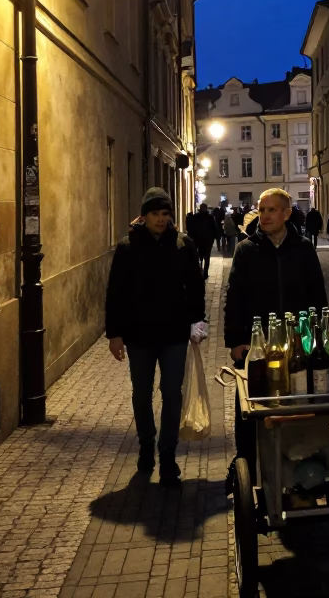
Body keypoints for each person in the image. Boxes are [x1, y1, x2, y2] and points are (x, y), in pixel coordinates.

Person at [224, 188, 327, 491]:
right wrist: (235, 341)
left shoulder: (304, 248)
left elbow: (318, 296)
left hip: (296, 342)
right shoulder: (246, 249)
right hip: (258, 343)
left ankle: (305, 463)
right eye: (261, 210)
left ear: (286, 214)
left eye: (271, 210)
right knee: (250, 406)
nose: (265, 215)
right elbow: (235, 298)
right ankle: (245, 464)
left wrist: (317, 335)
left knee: (301, 401)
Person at [105, 188, 206, 485]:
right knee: (141, 392)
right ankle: (146, 445)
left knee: (172, 393)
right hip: (139, 335)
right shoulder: (127, 247)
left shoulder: (183, 245)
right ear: (144, 215)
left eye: (165, 214)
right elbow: (116, 293)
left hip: (174, 333)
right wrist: (115, 334)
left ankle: (168, 453)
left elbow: (195, 286)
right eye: (155, 214)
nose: (161, 220)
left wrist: (197, 320)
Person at [188, 202, 219, 279]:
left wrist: (191, 237)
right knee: (207, 257)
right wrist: (214, 237)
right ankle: (205, 273)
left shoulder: (196, 217)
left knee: (199, 256)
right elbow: (215, 229)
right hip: (207, 240)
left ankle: (199, 271)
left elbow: (191, 228)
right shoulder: (210, 217)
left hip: (198, 240)